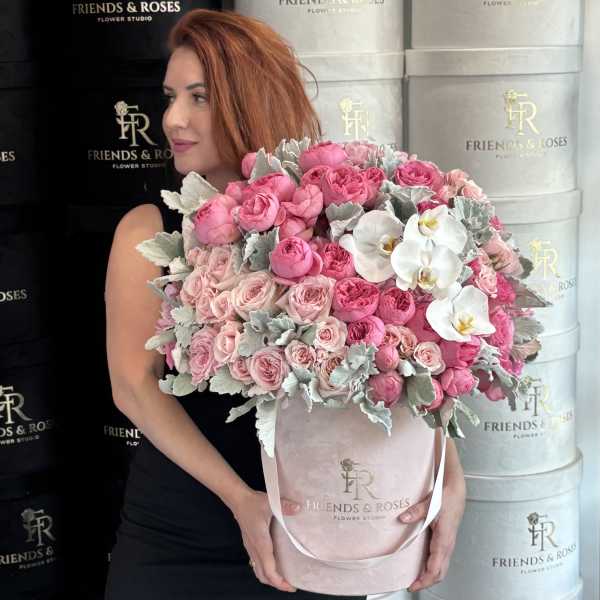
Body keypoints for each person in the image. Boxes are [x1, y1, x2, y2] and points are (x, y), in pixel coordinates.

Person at [103, 9, 467, 599]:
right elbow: (133, 387)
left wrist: (450, 474)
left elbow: (407, 362)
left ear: (249, 100)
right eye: (170, 97)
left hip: (312, 534)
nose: (172, 119)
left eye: (199, 97)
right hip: (178, 535)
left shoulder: (336, 225)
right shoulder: (148, 231)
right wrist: (241, 500)